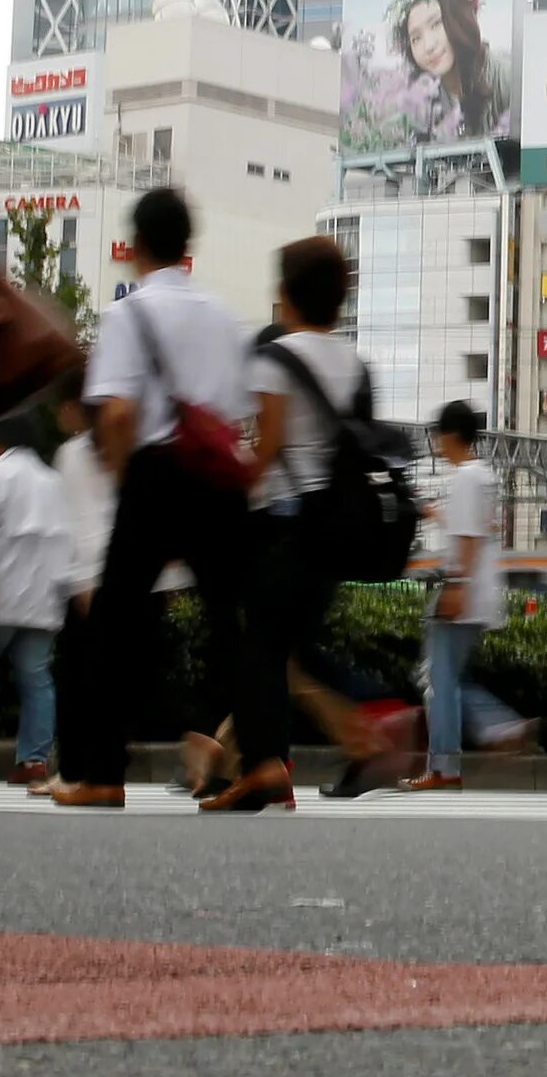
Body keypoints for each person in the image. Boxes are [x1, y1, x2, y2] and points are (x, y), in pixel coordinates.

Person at [52, 186, 257, 809]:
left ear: (135, 245)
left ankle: (102, 774)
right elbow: (239, 412)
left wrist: (121, 475)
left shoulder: (128, 314)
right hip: (218, 479)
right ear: (188, 245)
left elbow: (115, 411)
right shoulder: (225, 317)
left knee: (114, 625)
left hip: (156, 471)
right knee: (231, 623)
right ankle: (249, 753)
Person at [207, 236, 367, 813]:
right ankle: (268, 765)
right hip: (336, 532)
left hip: (285, 522)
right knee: (280, 649)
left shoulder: (274, 359)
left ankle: (266, 767)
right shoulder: (353, 361)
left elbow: (267, 445)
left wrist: (233, 488)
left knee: (259, 649)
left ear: (284, 296)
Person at [0, 415, 73, 794]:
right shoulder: (55, 483)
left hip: (0, 598)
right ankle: (34, 759)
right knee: (37, 677)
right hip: (44, 600)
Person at [401, 399, 510, 791]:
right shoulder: (485, 475)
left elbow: (466, 538)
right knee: (446, 676)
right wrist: (434, 514)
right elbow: (472, 527)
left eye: (437, 436)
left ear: (448, 435)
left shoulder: (465, 477)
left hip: (462, 591)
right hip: (480, 590)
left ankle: (448, 763)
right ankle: (495, 728)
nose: (436, 444)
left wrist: (456, 587)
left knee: (438, 679)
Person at [395, 0, 509, 145]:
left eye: (436, 24)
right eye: (416, 38)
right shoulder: (422, 98)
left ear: (457, 20)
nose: (429, 46)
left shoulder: (504, 76)